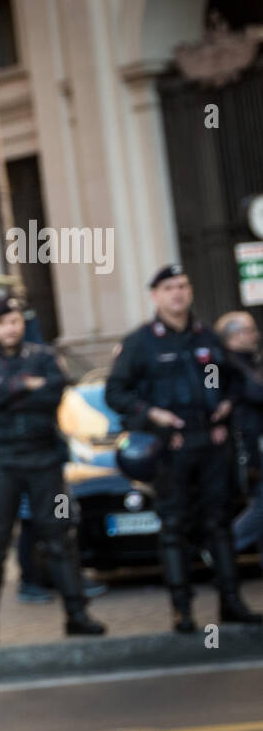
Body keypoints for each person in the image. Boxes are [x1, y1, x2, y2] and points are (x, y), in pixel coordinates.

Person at [105, 265, 261, 631]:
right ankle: (182, 610)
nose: (178, 294)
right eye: (169, 288)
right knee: (173, 527)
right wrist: (152, 416)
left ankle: (231, 602)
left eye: (183, 286)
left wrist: (225, 407)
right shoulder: (140, 343)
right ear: (155, 296)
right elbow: (118, 393)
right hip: (170, 448)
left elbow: (234, 381)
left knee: (218, 526)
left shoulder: (206, 336)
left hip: (210, 445)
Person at [0, 297, 106, 644]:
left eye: (15, 321)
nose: (11, 328)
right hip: (0, 461)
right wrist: (25, 386)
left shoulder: (43, 357)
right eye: (3, 322)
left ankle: (77, 614)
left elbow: (54, 392)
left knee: (60, 537)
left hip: (44, 461)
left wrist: (5, 391)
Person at [215, 311, 263, 556]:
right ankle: (222, 550)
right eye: (250, 330)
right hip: (246, 446)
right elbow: (255, 391)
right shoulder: (224, 363)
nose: (256, 335)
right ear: (234, 336)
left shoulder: (248, 360)